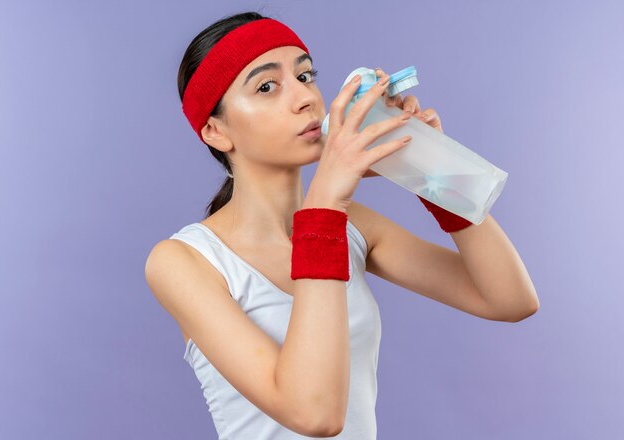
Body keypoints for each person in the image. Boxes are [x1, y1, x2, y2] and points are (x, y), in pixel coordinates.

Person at [144, 10, 539, 440]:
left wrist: (429, 169)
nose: (306, 98)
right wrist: (327, 201)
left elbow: (510, 300)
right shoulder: (184, 262)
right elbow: (315, 415)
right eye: (266, 86)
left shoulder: (350, 226)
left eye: (305, 74)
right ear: (216, 132)